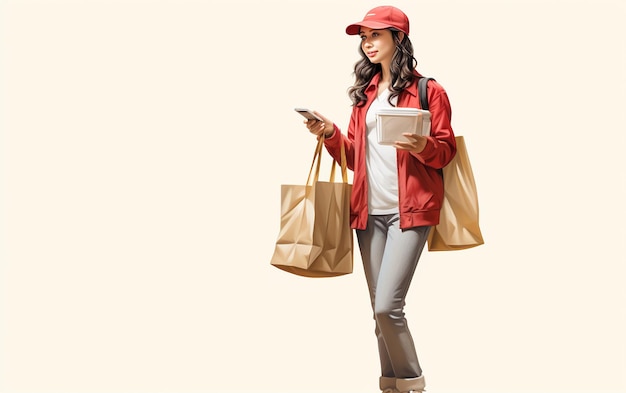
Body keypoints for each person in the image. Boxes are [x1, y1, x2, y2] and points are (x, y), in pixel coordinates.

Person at [303, 6, 457, 393]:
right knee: (378, 314)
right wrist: (329, 133)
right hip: (368, 214)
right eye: (364, 38)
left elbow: (446, 152)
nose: (367, 43)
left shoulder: (429, 91)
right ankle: (391, 387)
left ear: (398, 39)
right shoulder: (365, 96)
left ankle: (413, 385)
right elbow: (356, 158)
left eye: (375, 35)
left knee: (389, 306)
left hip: (411, 212)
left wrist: (423, 145)